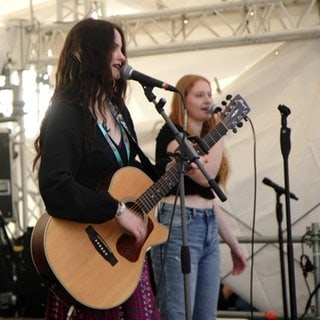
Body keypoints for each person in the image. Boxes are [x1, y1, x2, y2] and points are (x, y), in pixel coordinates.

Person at [32, 18, 161, 320]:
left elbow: (132, 178)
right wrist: (117, 211)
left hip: (122, 259)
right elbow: (56, 187)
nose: (122, 57)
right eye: (114, 48)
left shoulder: (119, 111)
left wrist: (183, 164)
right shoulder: (64, 114)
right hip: (84, 259)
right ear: (92, 54)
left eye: (122, 48)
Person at [150, 74, 247, 320]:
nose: (207, 100)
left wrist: (234, 246)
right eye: (199, 95)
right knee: (178, 313)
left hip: (207, 226)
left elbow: (208, 200)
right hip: (177, 225)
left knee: (206, 315)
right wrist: (222, 129)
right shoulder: (170, 137)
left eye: (209, 94)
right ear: (183, 102)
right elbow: (206, 176)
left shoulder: (206, 141)